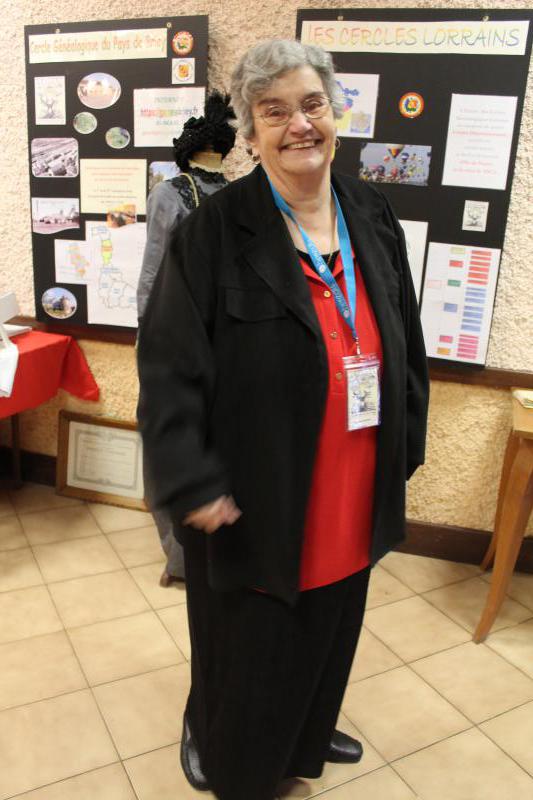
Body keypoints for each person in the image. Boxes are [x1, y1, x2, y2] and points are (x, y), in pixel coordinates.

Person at [137, 39, 429, 800]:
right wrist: (190, 479)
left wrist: (405, 439)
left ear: (333, 114)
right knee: (246, 649)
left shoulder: (371, 211)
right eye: (274, 112)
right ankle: (228, 751)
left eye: (311, 105)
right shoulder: (212, 232)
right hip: (255, 491)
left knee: (330, 624)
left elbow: (404, 331)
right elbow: (167, 368)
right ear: (251, 131)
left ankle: (303, 733)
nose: (299, 125)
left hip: (352, 477)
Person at [137, 90, 236, 586]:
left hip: (178, 338)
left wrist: (148, 339)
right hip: (225, 341)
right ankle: (203, 559)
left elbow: (152, 276)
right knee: (208, 444)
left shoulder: (168, 194)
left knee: (172, 446)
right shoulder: (238, 194)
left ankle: (182, 562)